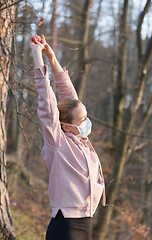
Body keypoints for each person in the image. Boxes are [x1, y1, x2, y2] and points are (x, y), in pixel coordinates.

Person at [29, 35, 106, 240]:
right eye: (82, 119)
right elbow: (47, 103)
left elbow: (69, 98)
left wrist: (52, 58)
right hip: (66, 227)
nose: (86, 122)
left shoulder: (82, 143)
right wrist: (37, 57)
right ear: (67, 126)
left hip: (86, 222)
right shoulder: (58, 142)